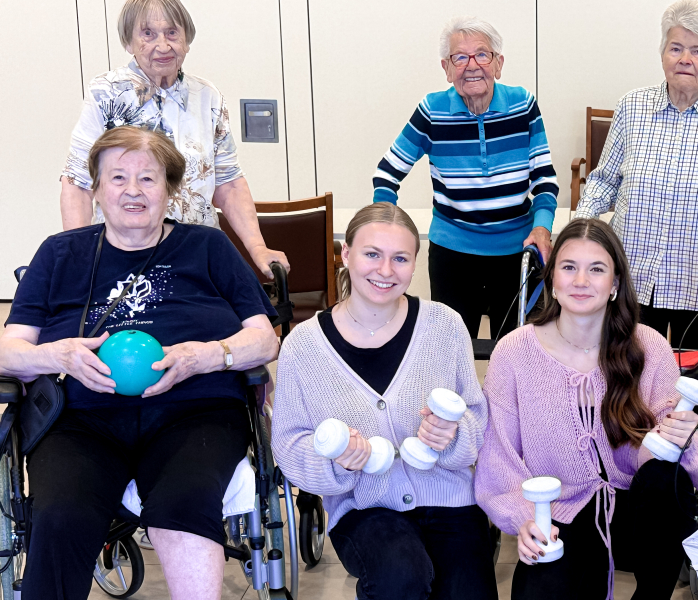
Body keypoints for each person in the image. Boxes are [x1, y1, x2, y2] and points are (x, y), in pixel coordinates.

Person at [0, 126, 280, 599]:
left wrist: (204, 356)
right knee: (61, 513)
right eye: (118, 178)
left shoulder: (207, 247)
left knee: (185, 502)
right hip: (82, 420)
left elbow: (263, 340)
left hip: (194, 412)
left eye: (148, 179)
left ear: (169, 189)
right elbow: (9, 351)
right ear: (96, 190)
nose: (133, 191)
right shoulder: (59, 254)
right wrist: (58, 353)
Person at [271, 203, 497, 600]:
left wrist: (454, 435)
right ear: (346, 254)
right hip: (363, 506)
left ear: (415, 263)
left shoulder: (445, 325)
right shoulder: (302, 346)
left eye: (400, 258)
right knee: (401, 575)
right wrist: (337, 458)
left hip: (450, 497)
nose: (386, 270)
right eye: (372, 254)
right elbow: (289, 444)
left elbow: (476, 414)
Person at [475, 218, 698, 600]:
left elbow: (681, 469)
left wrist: (683, 439)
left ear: (615, 284)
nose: (581, 281)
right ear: (552, 279)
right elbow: (498, 457)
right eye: (569, 267)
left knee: (666, 480)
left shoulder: (648, 346)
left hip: (636, 513)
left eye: (596, 269)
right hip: (559, 515)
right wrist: (524, 520)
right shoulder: (514, 352)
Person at [575, 0, 698, 352]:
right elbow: (604, 181)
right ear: (663, 52)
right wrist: (579, 231)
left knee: (693, 394)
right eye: (676, 47)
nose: (685, 59)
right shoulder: (631, 107)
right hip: (632, 277)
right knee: (625, 381)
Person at [60, 0, 288, 277]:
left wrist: (257, 247)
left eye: (171, 33)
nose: (163, 45)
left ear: (187, 40)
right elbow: (78, 183)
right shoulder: (106, 94)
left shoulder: (207, 96)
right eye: (148, 34)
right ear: (128, 42)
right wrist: (81, 255)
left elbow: (228, 182)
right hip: (123, 256)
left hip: (198, 253)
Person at [372, 16, 558, 340]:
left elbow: (544, 179)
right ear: (446, 68)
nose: (472, 65)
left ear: (498, 64)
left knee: (521, 352)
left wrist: (542, 227)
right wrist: (386, 229)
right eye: (461, 57)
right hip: (452, 254)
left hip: (518, 253)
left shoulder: (523, 105)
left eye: (482, 54)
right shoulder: (432, 110)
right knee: (450, 351)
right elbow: (386, 175)